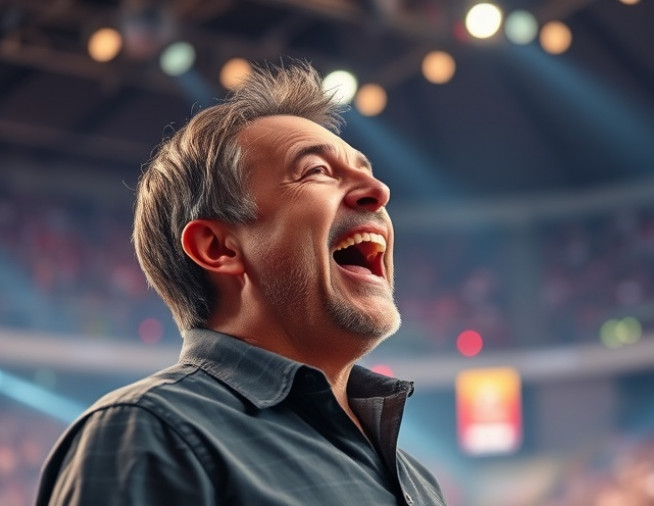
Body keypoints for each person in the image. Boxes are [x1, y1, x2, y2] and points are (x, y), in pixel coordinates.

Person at [36, 61, 447, 505]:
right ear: (218, 248)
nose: (378, 189)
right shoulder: (150, 434)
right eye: (315, 171)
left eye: (365, 169)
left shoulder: (416, 480)